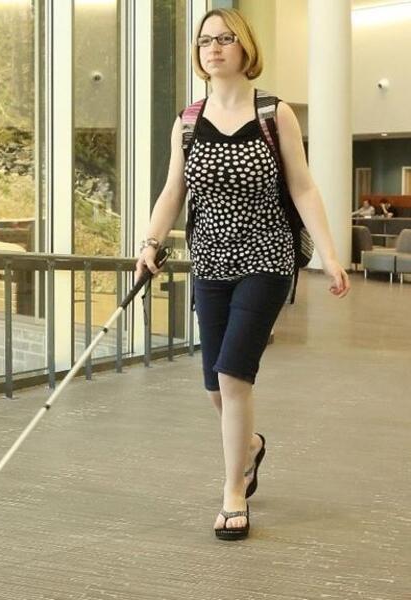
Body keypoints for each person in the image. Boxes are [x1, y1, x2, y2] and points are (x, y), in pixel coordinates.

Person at [135, 8, 350, 541]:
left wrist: (329, 253)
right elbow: (172, 191)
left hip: (266, 259)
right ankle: (251, 447)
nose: (215, 47)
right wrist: (149, 244)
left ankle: (234, 494)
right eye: (206, 40)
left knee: (234, 376)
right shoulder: (187, 121)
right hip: (210, 262)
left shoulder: (274, 113)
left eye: (226, 38)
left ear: (245, 48)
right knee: (214, 385)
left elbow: (303, 186)